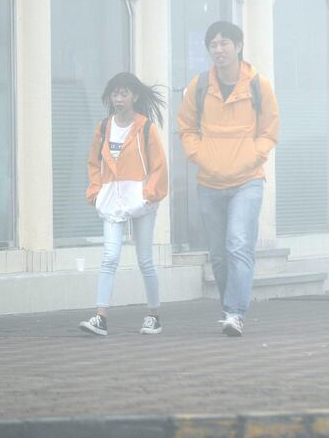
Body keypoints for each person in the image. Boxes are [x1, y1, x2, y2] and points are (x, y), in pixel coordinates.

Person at [177, 21, 279, 337]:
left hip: (247, 180)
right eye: (213, 44)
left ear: (238, 46)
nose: (218, 49)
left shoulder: (258, 86)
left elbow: (270, 131)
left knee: (238, 245)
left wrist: (252, 155)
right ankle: (228, 308)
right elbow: (186, 128)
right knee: (218, 255)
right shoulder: (198, 87)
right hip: (209, 182)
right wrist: (200, 156)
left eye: (224, 43)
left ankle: (236, 312)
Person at [79, 72, 168, 336]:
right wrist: (95, 191)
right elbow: (94, 162)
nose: (118, 98)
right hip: (111, 200)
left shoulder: (146, 128)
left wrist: (148, 193)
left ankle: (153, 315)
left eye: (124, 93)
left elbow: (159, 166)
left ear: (135, 96)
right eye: (115, 93)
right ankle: (100, 316)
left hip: (141, 200)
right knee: (110, 257)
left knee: (145, 260)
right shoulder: (104, 127)